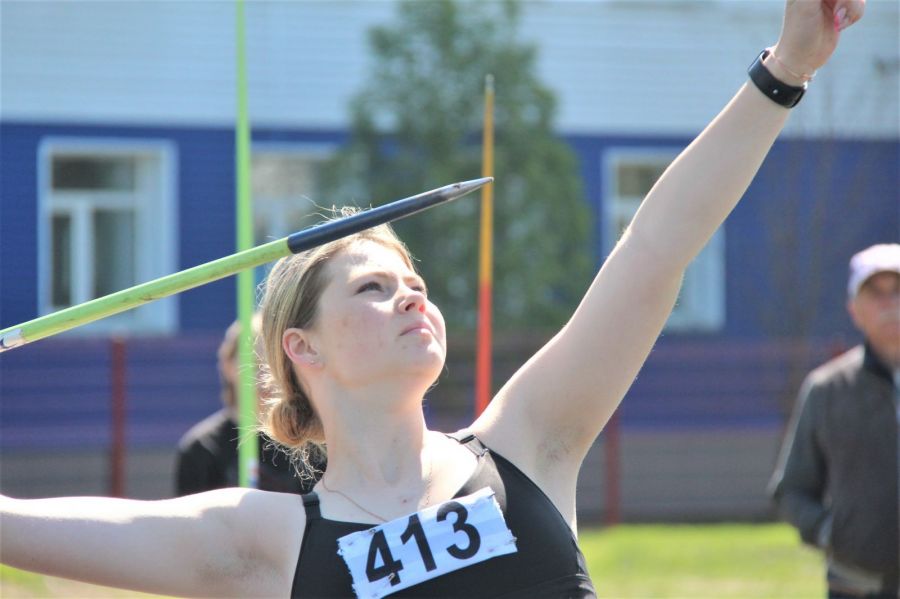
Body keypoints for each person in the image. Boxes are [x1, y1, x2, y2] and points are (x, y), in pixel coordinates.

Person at [0, 2, 866, 596]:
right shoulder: (265, 540)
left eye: (414, 283)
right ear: (302, 347)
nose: (412, 296)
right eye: (374, 287)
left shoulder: (528, 440)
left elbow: (655, 248)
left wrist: (787, 67)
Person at [769, 243, 899, 599]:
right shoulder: (828, 390)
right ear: (854, 310)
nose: (890, 303)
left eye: (898, 290)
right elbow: (791, 490)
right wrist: (830, 532)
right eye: (876, 293)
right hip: (854, 584)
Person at [174, 317, 324, 496]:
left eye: (271, 365)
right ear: (228, 365)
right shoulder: (202, 448)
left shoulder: (309, 442)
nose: (263, 376)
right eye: (254, 364)